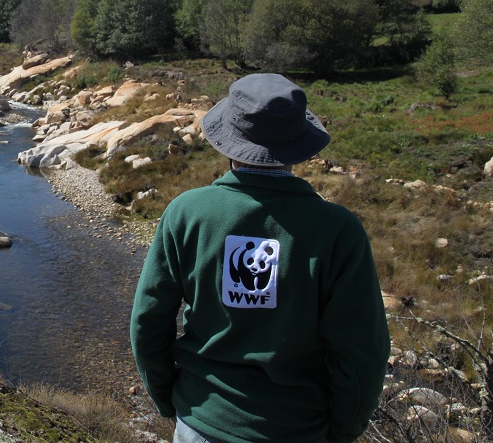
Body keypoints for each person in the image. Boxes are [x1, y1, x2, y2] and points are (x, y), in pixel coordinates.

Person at [130, 73, 390, 443]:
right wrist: (344, 429)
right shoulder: (339, 231)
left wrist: (168, 398)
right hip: (298, 429)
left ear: (227, 141)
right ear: (299, 145)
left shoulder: (186, 213)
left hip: (200, 421)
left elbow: (147, 323)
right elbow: (363, 351)